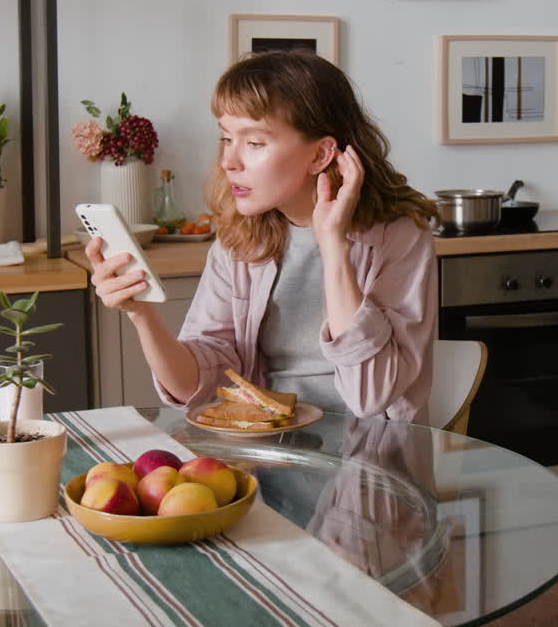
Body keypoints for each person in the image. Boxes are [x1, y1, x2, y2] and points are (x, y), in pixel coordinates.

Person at [85, 50, 438, 423]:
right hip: (269, 457)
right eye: (226, 138)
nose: (229, 161)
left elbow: (371, 395)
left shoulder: (400, 238)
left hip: (373, 465)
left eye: (254, 143)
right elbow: (198, 385)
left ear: (320, 155)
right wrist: (141, 312)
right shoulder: (241, 239)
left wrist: (333, 245)